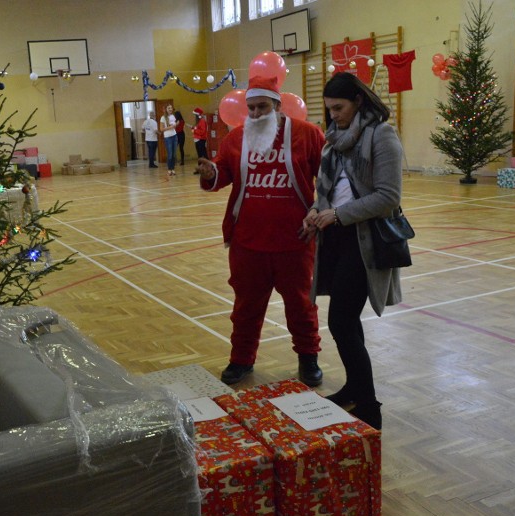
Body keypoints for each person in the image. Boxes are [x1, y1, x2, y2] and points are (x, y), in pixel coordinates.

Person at [196, 76, 324, 387]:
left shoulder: (308, 135)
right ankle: (241, 359)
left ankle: (308, 358)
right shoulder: (235, 139)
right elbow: (221, 175)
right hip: (247, 241)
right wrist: (212, 173)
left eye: (262, 107)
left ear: (278, 106)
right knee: (246, 307)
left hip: (295, 240)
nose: (255, 114)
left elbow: (333, 179)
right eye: (251, 108)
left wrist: (319, 210)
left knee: (301, 305)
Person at [301, 72, 404, 430]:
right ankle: (354, 388)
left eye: (339, 108)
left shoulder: (381, 135)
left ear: (359, 101)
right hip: (337, 237)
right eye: (328, 110)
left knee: (341, 321)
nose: (333, 116)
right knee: (345, 321)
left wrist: (338, 214)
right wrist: (317, 210)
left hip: (366, 242)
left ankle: (369, 405)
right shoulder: (332, 141)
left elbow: (388, 197)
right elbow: (327, 189)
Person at [160, 104, 178, 175]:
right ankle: (169, 169)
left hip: (174, 136)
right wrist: (170, 127)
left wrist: (176, 125)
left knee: (174, 154)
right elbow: (161, 129)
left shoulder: (173, 116)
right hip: (168, 137)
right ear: (166, 109)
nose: (170, 109)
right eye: (169, 108)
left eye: (171, 108)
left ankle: (173, 169)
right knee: (170, 154)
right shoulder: (163, 118)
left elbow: (174, 126)